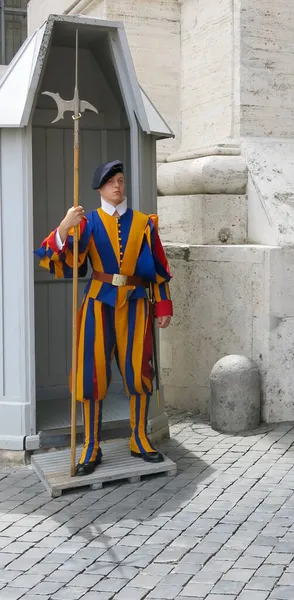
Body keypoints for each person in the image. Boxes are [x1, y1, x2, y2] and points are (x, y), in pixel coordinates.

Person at [35, 160, 173, 475]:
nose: (117, 186)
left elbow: (160, 269)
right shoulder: (87, 223)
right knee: (91, 374)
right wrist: (64, 227)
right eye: (111, 181)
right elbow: (61, 261)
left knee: (139, 370)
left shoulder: (144, 223)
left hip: (137, 303)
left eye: (121, 180)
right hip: (98, 304)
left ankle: (139, 438)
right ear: (99, 188)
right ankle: (91, 445)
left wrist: (163, 306)